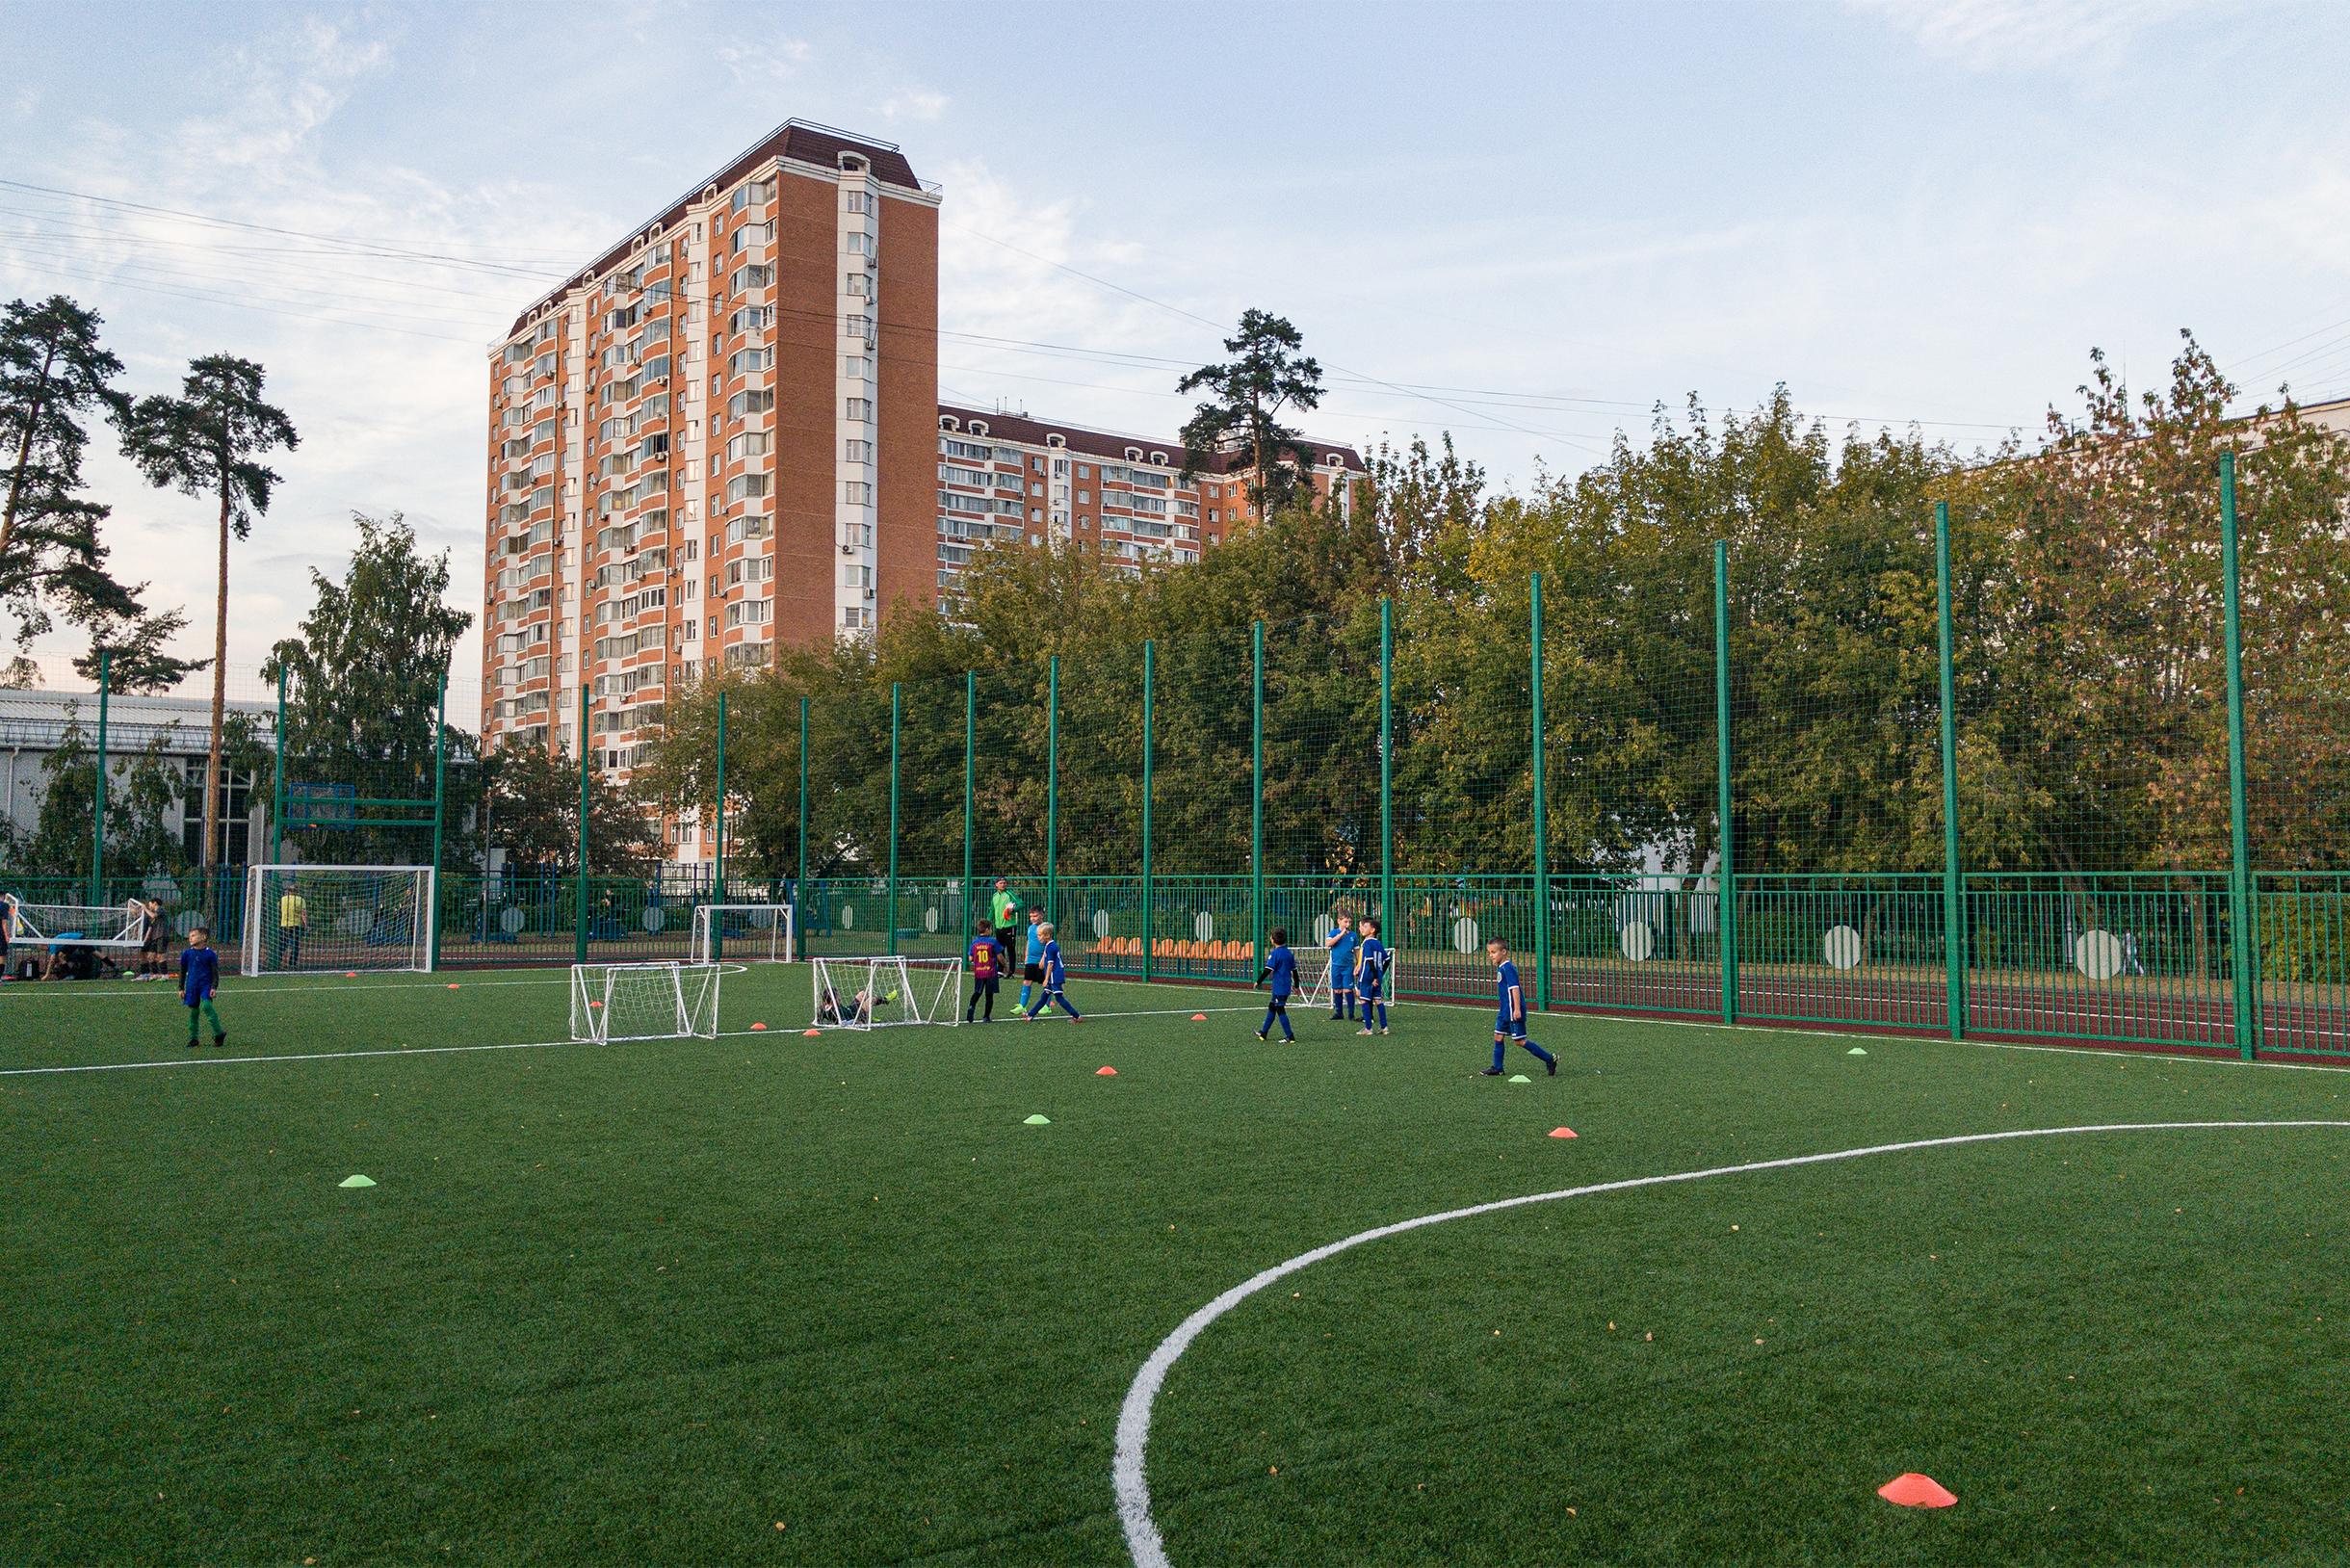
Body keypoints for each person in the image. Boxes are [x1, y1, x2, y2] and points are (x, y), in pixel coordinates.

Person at [1482, 937, 1554, 1076]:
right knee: (1498, 1036)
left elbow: (1515, 989)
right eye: (1489, 952)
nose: (1491, 955)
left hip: (1512, 1010)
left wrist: (1516, 1009)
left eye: (1493, 952)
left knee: (1519, 1041)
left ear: (1504, 952)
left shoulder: (1508, 968)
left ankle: (1549, 1058)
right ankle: (1498, 1068)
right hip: (1504, 1011)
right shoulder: (1502, 967)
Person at [1023, 923, 1082, 1020]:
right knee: (1044, 997)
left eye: (1040, 935)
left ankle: (1077, 1016)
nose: (1038, 937)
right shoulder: (1049, 945)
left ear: (1047, 936)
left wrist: (1046, 979)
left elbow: (1051, 964)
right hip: (1053, 976)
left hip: (1055, 976)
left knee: (1059, 998)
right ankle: (1030, 1015)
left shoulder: (1051, 947)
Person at [181, 926, 226, 1049]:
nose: (190, 938)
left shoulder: (210, 954)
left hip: (205, 985)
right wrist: (181, 988)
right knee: (194, 1011)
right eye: (190, 936)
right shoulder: (186, 954)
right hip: (191, 986)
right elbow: (182, 972)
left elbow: (214, 973)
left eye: (193, 935)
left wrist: (213, 987)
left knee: (207, 1006)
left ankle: (219, 1033)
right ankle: (194, 1038)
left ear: (203, 937)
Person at [1255, 928, 1297, 1041]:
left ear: (1272, 940)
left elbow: (1267, 970)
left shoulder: (1275, 954)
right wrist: (1297, 985)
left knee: (1280, 1009)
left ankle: (1290, 1036)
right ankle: (1263, 1033)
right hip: (1285, 986)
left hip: (1279, 987)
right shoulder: (1289, 953)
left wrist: (1258, 981)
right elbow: (1295, 971)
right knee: (1272, 1007)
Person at [966, 919, 1007, 1023]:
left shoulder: (975, 942)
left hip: (979, 972)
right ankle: (986, 1017)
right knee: (989, 995)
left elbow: (970, 958)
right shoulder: (993, 942)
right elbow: (1000, 956)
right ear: (988, 929)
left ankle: (971, 1006)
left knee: (977, 992)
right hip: (991, 972)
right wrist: (1005, 966)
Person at [1354, 917, 1390, 1036]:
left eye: (1365, 927)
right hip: (1377, 976)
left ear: (1372, 930)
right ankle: (1384, 1027)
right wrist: (1379, 975)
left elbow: (1369, 961)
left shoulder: (1367, 943)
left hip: (1367, 976)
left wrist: (1374, 977)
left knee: (1363, 999)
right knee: (1378, 1000)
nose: (1362, 929)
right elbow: (1387, 960)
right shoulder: (1379, 944)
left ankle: (1368, 1028)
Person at [1323, 911, 1360, 1022]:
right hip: (1336, 966)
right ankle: (1339, 1012)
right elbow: (1328, 944)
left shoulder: (1353, 935)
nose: (1348, 924)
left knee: (1348, 989)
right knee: (1337, 989)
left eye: (1349, 922)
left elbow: (1357, 951)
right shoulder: (1334, 933)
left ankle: (1351, 1014)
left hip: (1347, 966)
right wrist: (1340, 935)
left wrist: (1359, 964)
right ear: (1339, 921)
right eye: (1345, 922)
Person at [1017, 905, 1047, 1015]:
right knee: (1027, 981)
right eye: (1031, 916)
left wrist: (1044, 958)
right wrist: (1026, 955)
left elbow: (1048, 944)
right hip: (1031, 959)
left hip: (1042, 960)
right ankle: (1022, 1005)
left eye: (1035, 916)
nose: (1033, 918)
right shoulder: (1030, 928)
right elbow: (1029, 942)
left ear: (1042, 915)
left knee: (1045, 983)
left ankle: (1046, 1006)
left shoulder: (1045, 928)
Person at [138, 899, 171, 980]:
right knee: (150, 956)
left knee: (160, 956)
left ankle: (164, 975)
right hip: (155, 937)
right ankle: (155, 974)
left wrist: (145, 909)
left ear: (155, 903)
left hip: (161, 936)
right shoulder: (152, 914)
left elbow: (153, 916)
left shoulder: (160, 910)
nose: (149, 906)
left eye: (150, 904)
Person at [278, 881, 308, 969]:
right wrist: (306, 925)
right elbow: (303, 914)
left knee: (283, 944)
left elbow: (280, 910)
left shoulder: (283, 899)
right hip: (296, 925)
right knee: (295, 945)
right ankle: (292, 963)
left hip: (284, 924)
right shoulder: (301, 900)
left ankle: (278, 960)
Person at [990, 879, 1020, 948]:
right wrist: (988, 921)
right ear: (996, 884)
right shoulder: (995, 896)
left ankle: (1012, 959)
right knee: (1000, 949)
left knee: (1011, 949)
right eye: (1001, 883)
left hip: (1009, 925)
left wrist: (1013, 909)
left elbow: (1021, 904)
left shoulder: (1010, 894)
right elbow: (992, 910)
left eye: (1004, 883)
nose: (1003, 885)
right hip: (998, 927)